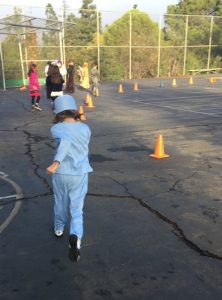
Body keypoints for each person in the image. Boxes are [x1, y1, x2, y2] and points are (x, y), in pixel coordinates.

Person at [46, 95, 93, 262]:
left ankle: (59, 228)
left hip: (61, 173)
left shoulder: (56, 129)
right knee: (77, 209)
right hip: (80, 173)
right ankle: (75, 237)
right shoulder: (85, 129)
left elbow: (65, 143)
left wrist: (56, 162)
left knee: (60, 202)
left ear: (58, 112)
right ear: (74, 110)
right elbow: (73, 141)